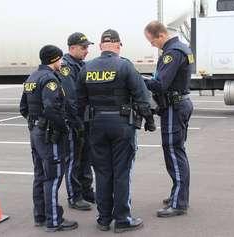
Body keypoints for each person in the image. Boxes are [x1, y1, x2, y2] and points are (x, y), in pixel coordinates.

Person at [76, 29, 156, 233]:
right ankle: (122, 219)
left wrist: (85, 126)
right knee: (121, 172)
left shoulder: (87, 68)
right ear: (119, 45)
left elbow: (79, 101)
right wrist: (149, 120)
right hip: (121, 125)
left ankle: (103, 219)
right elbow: (142, 96)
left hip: (96, 125)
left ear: (102, 46)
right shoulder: (125, 66)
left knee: (102, 173)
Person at [19, 45, 78, 232]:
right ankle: (54, 220)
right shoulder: (50, 79)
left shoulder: (32, 77)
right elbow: (51, 108)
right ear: (54, 60)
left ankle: (40, 216)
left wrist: (36, 123)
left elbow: (23, 108)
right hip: (49, 135)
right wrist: (63, 128)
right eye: (60, 59)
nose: (62, 63)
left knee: (40, 175)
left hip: (35, 132)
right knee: (53, 177)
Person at [143, 20, 194, 217]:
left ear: (161, 36)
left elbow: (160, 84)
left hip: (174, 106)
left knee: (174, 153)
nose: (151, 45)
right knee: (177, 151)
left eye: (151, 41)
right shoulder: (183, 48)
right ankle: (178, 194)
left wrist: (137, 79)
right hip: (179, 104)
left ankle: (179, 202)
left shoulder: (172, 53)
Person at [59, 32, 95, 211]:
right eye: (83, 47)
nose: (87, 51)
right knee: (74, 159)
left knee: (87, 156)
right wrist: (77, 122)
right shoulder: (66, 66)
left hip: (85, 118)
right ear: (72, 48)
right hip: (74, 120)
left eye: (87, 47)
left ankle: (87, 191)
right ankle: (75, 196)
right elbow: (71, 97)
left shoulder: (82, 65)